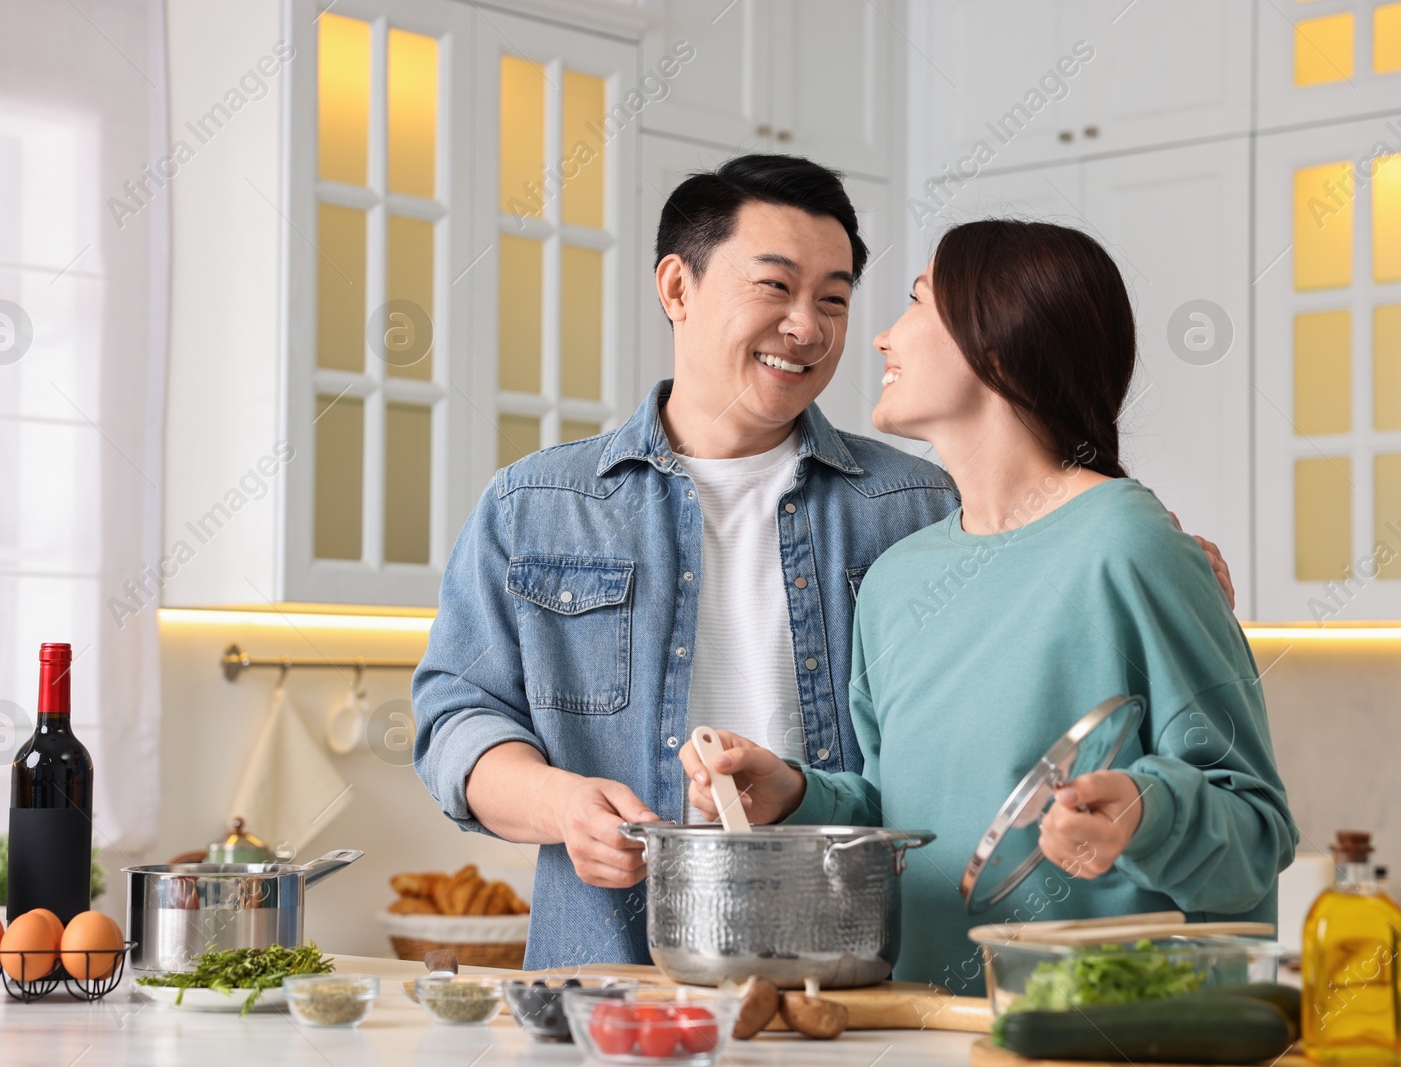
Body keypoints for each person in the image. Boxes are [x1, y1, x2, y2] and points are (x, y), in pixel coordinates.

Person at [411, 155, 1235, 971]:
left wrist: (1154, 550)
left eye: (834, 298)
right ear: (677, 288)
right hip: (611, 975)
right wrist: (559, 803)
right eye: (775, 286)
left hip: (854, 980)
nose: (810, 326)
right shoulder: (539, 504)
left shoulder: (920, 503)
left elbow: (1058, 526)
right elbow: (456, 719)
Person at [679, 219, 1296, 996]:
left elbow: (1257, 830)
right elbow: (895, 806)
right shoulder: (900, 579)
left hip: (1099, 1036)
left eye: (916, 303)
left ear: (997, 342)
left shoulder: (1129, 545)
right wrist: (797, 794)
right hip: (928, 1029)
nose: (881, 338)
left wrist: (1147, 813)